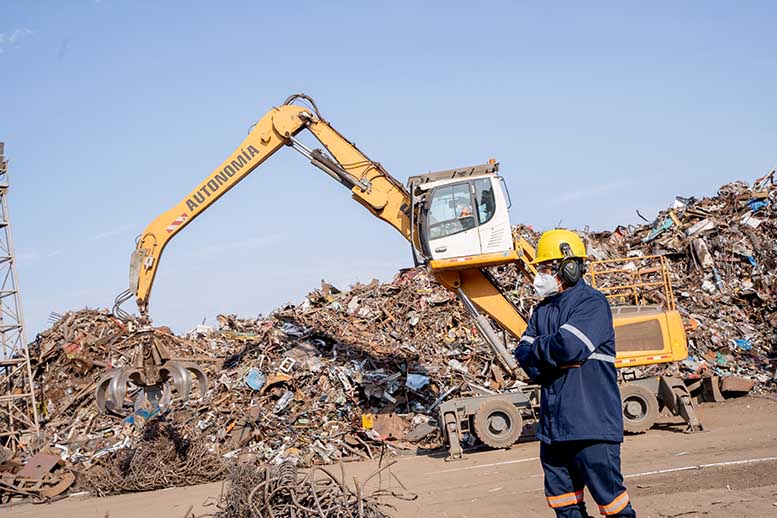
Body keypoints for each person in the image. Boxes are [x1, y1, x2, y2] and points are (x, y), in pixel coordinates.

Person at [514, 229, 635, 518]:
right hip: (553, 431)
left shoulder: (592, 304)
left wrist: (544, 352)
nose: (540, 276)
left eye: (545, 268)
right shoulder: (542, 311)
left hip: (591, 426)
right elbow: (522, 354)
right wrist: (553, 355)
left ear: (567, 267)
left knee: (614, 507)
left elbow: (569, 346)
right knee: (565, 507)